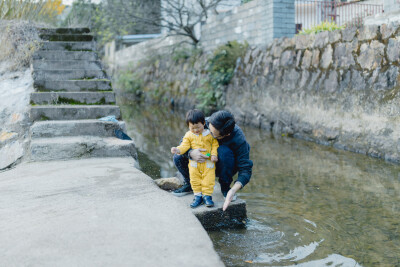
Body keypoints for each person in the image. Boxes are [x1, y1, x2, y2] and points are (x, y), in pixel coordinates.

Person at [173, 110, 253, 211]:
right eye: (208, 129)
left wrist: (233, 190)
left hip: (224, 164)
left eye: (213, 134)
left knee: (223, 151)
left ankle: (225, 187)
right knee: (178, 157)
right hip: (201, 160)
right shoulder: (205, 122)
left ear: (226, 135)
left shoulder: (238, 138)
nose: (209, 133)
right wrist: (190, 153)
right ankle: (190, 184)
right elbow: (183, 142)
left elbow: (246, 169)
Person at [171, 109, 219, 208]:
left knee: (208, 179)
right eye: (192, 128)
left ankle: (207, 196)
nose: (196, 130)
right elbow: (184, 145)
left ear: (204, 123)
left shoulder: (210, 134)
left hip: (208, 163)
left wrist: (214, 155)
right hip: (194, 164)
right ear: (188, 126)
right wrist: (178, 149)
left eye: (198, 127)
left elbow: (215, 145)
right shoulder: (189, 135)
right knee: (194, 180)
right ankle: (197, 196)